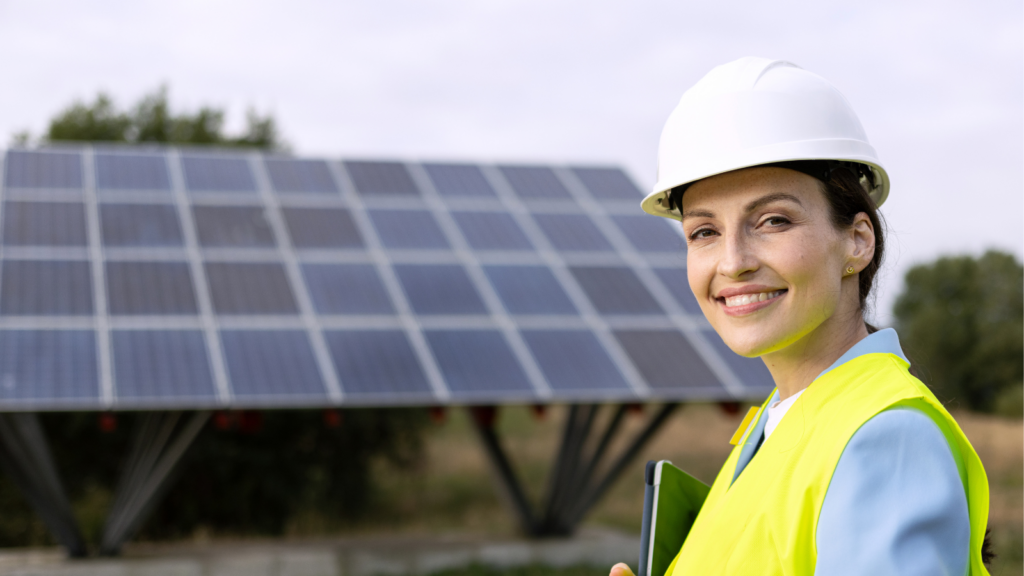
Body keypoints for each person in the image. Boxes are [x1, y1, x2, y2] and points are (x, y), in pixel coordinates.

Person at [610, 58, 992, 575]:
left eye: (773, 221)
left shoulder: (885, 436)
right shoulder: (775, 425)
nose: (733, 262)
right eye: (704, 232)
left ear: (857, 240)